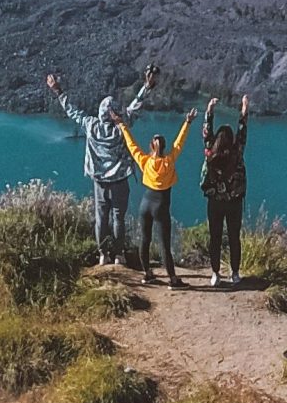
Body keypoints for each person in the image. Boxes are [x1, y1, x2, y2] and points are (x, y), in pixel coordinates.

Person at [46, 63, 158, 266]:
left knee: (100, 218)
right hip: (119, 182)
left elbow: (73, 111)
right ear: (115, 113)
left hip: (99, 182)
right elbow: (136, 104)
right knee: (118, 218)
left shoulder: (91, 125)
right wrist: (147, 86)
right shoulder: (122, 127)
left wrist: (58, 91)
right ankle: (118, 255)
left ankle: (102, 255)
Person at [119, 106, 196, 285]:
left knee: (145, 239)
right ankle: (172, 279)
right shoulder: (169, 161)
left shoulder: (145, 161)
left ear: (151, 147)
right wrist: (187, 122)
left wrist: (123, 126)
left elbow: (132, 145)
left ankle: (147, 274)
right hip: (161, 206)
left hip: (145, 203)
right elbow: (179, 143)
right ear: (164, 147)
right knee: (164, 244)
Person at [200, 93, 249, 287]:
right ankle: (235, 273)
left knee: (215, 237)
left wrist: (209, 111)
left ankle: (215, 274)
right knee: (234, 237)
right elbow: (242, 130)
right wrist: (244, 109)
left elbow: (206, 132)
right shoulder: (237, 152)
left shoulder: (210, 150)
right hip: (234, 202)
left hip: (215, 202)